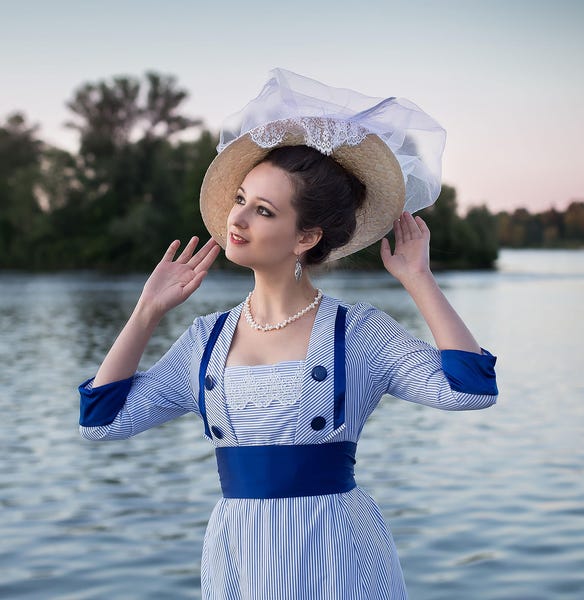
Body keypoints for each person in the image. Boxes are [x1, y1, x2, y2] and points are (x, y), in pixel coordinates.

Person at [79, 69, 498, 599]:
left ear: (306, 236)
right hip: (241, 561)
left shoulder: (359, 333)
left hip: (339, 556)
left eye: (264, 210)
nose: (239, 219)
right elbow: (102, 422)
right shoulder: (205, 341)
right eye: (240, 199)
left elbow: (472, 389)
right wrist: (147, 311)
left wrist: (419, 280)